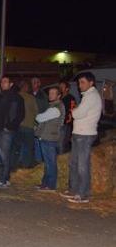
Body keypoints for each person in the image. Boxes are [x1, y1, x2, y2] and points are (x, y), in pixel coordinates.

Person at [62, 72, 102, 203]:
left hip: (85, 134)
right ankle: (74, 189)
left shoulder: (91, 96)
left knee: (82, 165)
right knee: (74, 163)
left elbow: (78, 114)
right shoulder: (87, 96)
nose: (80, 86)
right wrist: (77, 110)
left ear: (91, 83)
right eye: (79, 83)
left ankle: (83, 193)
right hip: (80, 133)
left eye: (82, 82)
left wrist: (74, 111)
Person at [0, 76, 25, 189]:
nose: (3, 84)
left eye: (5, 82)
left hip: (6, 130)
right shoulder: (0, 96)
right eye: (2, 82)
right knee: (4, 155)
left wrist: (9, 126)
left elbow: (16, 114)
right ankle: (6, 178)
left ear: (11, 84)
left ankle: (3, 180)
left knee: (4, 155)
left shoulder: (15, 97)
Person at [34, 85, 64, 192]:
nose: (50, 95)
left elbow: (39, 118)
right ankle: (45, 184)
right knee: (48, 162)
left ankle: (50, 185)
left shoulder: (56, 108)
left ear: (59, 95)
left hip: (50, 138)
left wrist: (40, 116)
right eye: (50, 93)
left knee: (50, 162)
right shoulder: (53, 106)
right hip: (47, 137)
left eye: (53, 93)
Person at [14, 80, 38, 169]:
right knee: (28, 146)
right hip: (29, 125)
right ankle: (26, 164)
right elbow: (36, 112)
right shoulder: (31, 98)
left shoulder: (15, 96)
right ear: (25, 87)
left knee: (17, 146)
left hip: (17, 125)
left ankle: (16, 163)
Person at [58, 80, 76, 153]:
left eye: (62, 87)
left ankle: (61, 159)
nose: (60, 88)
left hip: (65, 124)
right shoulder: (59, 98)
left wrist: (69, 122)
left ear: (67, 88)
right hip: (58, 123)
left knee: (62, 144)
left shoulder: (70, 98)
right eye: (60, 87)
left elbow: (72, 111)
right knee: (59, 143)